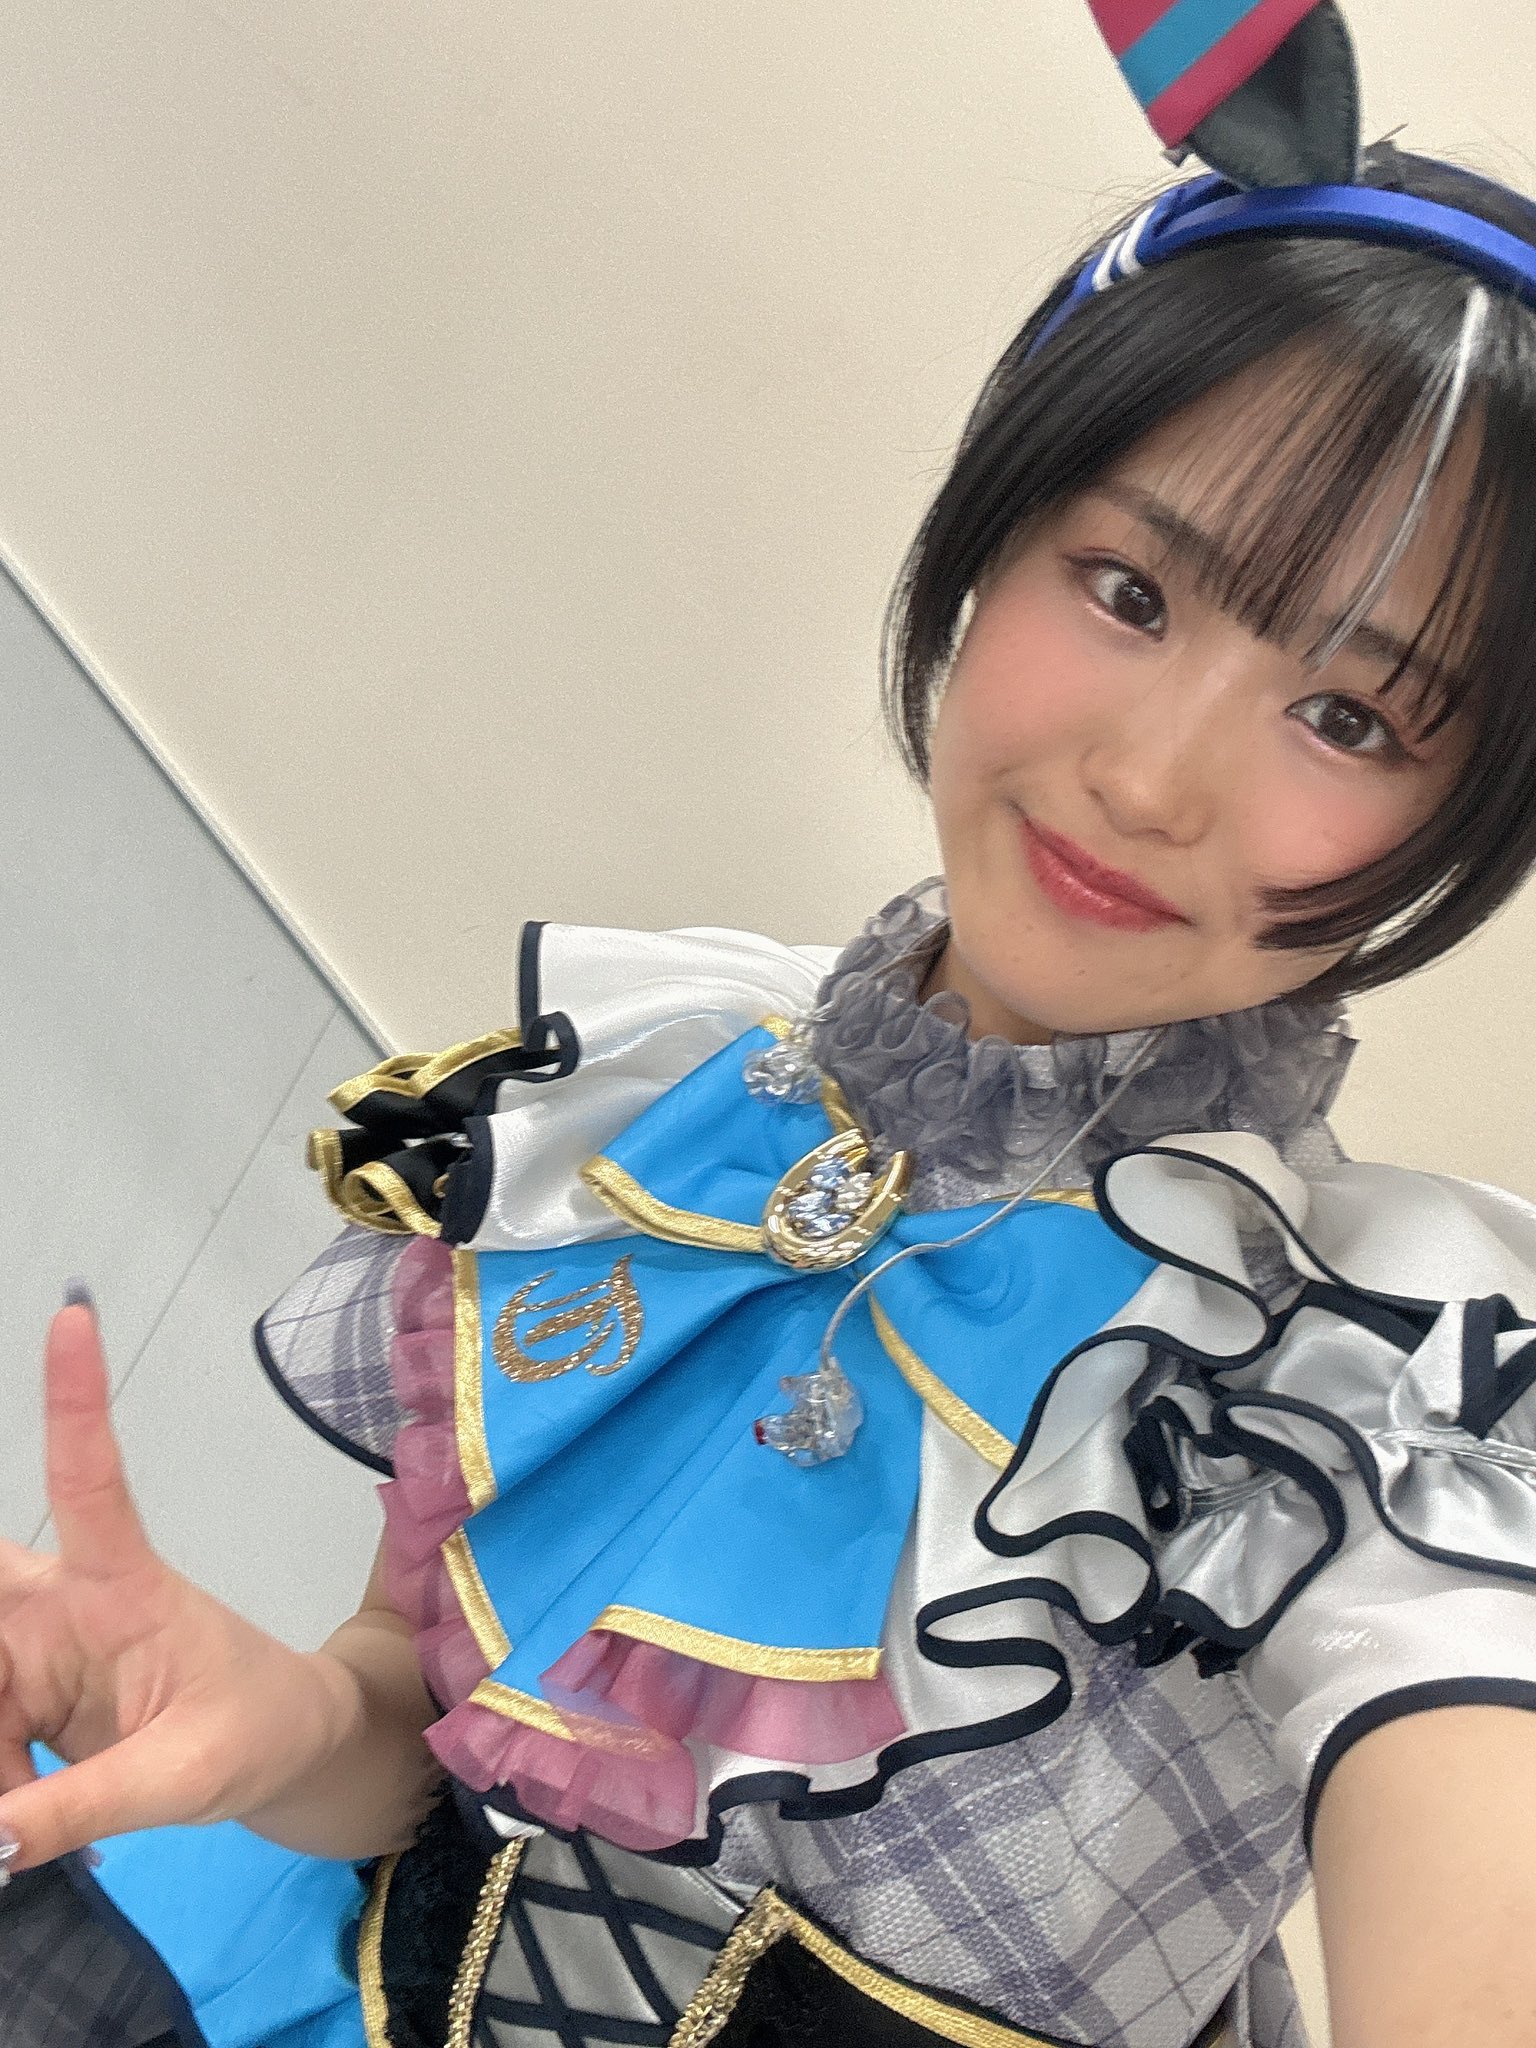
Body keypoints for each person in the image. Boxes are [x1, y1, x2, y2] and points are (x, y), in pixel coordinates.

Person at [5, 5, 1536, 2044]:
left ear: (1469, 817)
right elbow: (420, 1729)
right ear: (991, 533)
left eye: (1347, 716)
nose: (1151, 777)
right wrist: (272, 1716)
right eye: (1129, 591)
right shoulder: (661, 1097)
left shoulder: (1357, 1387)